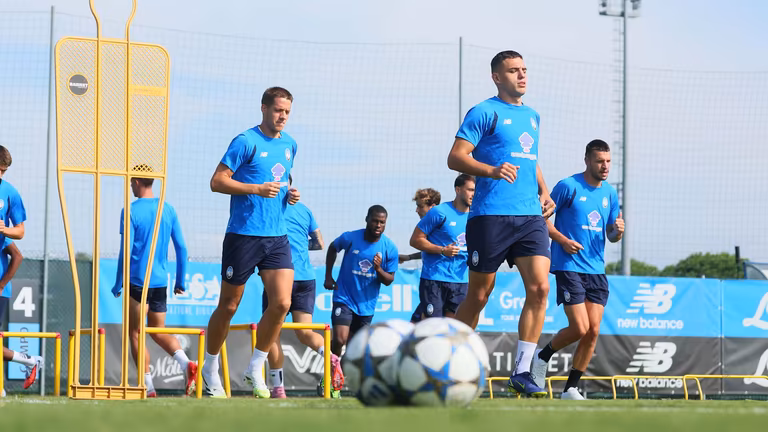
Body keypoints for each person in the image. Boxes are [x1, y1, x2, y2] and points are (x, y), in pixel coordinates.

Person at [447, 50, 555, 397]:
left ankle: (523, 371)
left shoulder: (533, 116)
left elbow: (529, 158)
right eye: (513, 71)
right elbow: (456, 157)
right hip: (490, 216)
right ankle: (448, 359)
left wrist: (543, 187)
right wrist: (492, 170)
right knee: (479, 295)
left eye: (524, 69)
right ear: (497, 77)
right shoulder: (484, 112)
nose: (521, 76)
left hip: (529, 217)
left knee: (539, 289)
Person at [203, 87, 300, 398]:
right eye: (277, 110)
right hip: (243, 235)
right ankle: (209, 367)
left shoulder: (290, 145)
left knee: (282, 303)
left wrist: (291, 194)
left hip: (277, 235)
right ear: (263, 108)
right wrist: (256, 190)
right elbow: (217, 181)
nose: (282, 116)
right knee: (229, 305)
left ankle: (254, 367)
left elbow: (285, 179)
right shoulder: (245, 141)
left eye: (286, 111)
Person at [534, 139, 624, 400]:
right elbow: (542, 219)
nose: (605, 166)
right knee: (580, 327)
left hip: (596, 269)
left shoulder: (609, 193)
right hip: (569, 265)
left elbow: (611, 234)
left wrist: (617, 232)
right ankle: (542, 357)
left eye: (608, 161)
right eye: (599, 161)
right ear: (587, 160)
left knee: (593, 330)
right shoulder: (568, 186)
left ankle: (570, 388)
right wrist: (562, 240)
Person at [111, 170, 194, 397]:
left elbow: (125, 251)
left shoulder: (130, 210)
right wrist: (180, 280)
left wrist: (118, 282)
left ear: (137, 182)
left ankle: (147, 386)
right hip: (160, 282)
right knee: (158, 331)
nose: (130, 187)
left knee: (136, 333)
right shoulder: (167, 209)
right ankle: (187, 364)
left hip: (138, 281)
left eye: (131, 183)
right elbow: (182, 248)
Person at [262, 175, 343, 399]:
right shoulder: (305, 210)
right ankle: (330, 357)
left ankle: (278, 389)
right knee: (305, 332)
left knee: (271, 334)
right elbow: (319, 243)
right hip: (306, 278)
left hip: (280, 276)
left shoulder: (269, 209)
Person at [324, 205, 398, 357]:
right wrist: (328, 275)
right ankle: (330, 376)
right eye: (375, 221)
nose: (378, 225)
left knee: (354, 348)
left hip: (366, 305)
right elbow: (333, 247)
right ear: (367, 219)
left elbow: (389, 280)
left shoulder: (390, 248)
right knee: (339, 339)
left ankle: (342, 376)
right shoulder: (350, 238)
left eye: (382, 222)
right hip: (344, 297)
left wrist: (378, 269)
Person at [408, 174, 474, 323]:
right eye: (470, 190)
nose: (473, 194)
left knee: (454, 327)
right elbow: (415, 240)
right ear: (458, 190)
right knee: (432, 326)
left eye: (475, 190)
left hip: (461, 280)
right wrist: (443, 250)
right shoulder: (439, 212)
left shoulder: (476, 216)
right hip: (434, 279)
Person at [1, 238, 42, 396]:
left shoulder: (2, 232)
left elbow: (17, 256)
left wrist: (1, 284)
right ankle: (30, 361)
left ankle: (30, 361)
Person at [399, 188, 441, 264]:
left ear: (433, 207)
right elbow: (432, 250)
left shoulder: (442, 228)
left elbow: (443, 252)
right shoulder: (430, 227)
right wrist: (409, 257)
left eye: (420, 206)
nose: (417, 210)